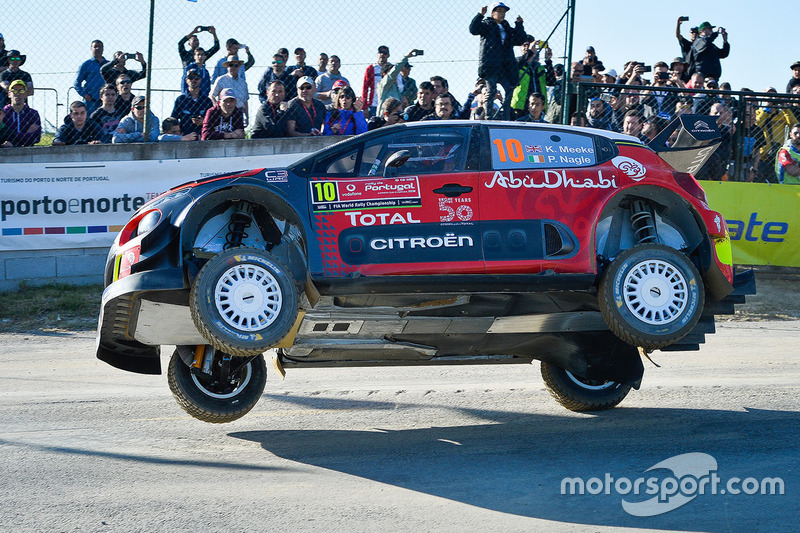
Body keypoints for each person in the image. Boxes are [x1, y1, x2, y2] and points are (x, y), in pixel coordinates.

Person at [469, 2, 527, 120]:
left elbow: (520, 39)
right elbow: (473, 29)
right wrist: (480, 15)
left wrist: (519, 25)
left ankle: (506, 116)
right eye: (499, 11)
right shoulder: (487, 25)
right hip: (491, 65)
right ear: (492, 13)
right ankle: (489, 116)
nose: (502, 14)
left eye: (503, 12)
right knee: (491, 91)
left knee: (508, 90)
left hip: (505, 67)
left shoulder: (507, 28)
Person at [511, 36, 554, 119]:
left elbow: (551, 82)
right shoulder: (517, 63)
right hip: (520, 106)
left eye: (530, 45)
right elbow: (517, 65)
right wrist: (529, 52)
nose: (527, 48)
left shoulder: (539, 67)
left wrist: (548, 61)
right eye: (525, 45)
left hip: (537, 106)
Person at [171, 68, 214, 137]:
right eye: (190, 78)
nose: (193, 80)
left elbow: (213, 121)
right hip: (185, 136)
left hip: (203, 137)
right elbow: (173, 119)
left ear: (200, 80)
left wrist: (203, 122)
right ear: (186, 80)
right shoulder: (180, 100)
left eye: (196, 78)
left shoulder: (207, 101)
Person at [210, 54, 249, 124]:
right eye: (231, 65)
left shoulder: (243, 83)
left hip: (238, 113)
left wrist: (247, 117)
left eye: (236, 65)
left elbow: (245, 101)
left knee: (239, 133)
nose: (233, 67)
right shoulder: (221, 80)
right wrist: (217, 108)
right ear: (227, 67)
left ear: (239, 67)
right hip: (224, 112)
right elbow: (212, 96)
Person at [73, 40, 108, 116]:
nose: (98, 48)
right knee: (89, 124)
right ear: (91, 48)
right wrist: (84, 95)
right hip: (91, 101)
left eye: (100, 46)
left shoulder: (109, 65)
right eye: (95, 46)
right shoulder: (86, 64)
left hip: (106, 101)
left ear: (103, 49)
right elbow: (76, 83)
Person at [2, 80, 41, 146]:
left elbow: (36, 137)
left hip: (28, 151)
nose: (18, 94)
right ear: (9, 94)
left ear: (26, 94)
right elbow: (3, 136)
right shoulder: (3, 113)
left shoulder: (33, 113)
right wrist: (27, 134)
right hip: (7, 150)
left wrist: (12, 138)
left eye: (21, 91)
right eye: (14, 91)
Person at [362, 45, 392, 116]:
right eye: (380, 52)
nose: (382, 55)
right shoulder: (371, 68)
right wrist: (364, 106)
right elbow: (365, 88)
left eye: (385, 53)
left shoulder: (392, 68)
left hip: (389, 103)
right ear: (377, 54)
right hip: (374, 104)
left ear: (388, 55)